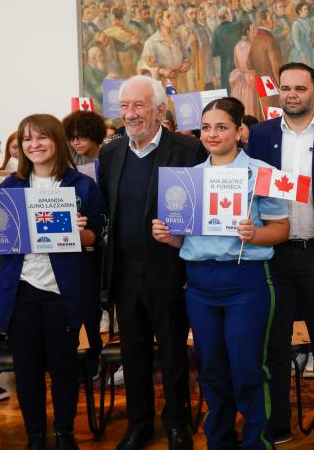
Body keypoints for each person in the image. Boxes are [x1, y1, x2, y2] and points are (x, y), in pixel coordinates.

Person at [151, 97, 288, 449]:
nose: (212, 134)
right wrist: (167, 237)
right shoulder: (187, 178)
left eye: (222, 126)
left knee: (247, 369)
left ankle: (257, 442)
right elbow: (183, 238)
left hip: (247, 281)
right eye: (207, 127)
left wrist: (255, 234)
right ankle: (220, 441)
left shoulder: (263, 173)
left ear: (240, 130)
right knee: (211, 370)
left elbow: (282, 229)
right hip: (199, 284)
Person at [97, 75, 207, 450]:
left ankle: (177, 423)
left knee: (175, 353)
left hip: (170, 270)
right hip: (124, 273)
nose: (130, 113)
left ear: (160, 110)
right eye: (125, 105)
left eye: (139, 105)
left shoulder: (188, 150)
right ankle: (139, 424)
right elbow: (105, 211)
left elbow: (201, 212)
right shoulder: (110, 153)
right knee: (134, 352)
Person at [246, 63, 314, 449]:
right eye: (285, 88)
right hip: (274, 255)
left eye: (299, 88)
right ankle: (279, 425)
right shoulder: (259, 135)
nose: (291, 94)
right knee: (274, 345)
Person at [0, 114, 105, 450]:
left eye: (42, 138)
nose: (34, 145)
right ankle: (35, 436)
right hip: (21, 290)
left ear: (57, 140)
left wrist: (81, 232)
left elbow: (96, 240)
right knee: (27, 369)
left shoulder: (83, 185)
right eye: (28, 139)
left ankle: (64, 434)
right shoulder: (9, 189)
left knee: (64, 365)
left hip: (66, 291)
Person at [228, 21, 260, 120]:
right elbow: (254, 63)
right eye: (252, 30)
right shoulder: (252, 45)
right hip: (250, 79)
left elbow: (236, 63)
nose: (255, 32)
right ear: (247, 32)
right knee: (250, 105)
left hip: (239, 81)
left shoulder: (237, 45)